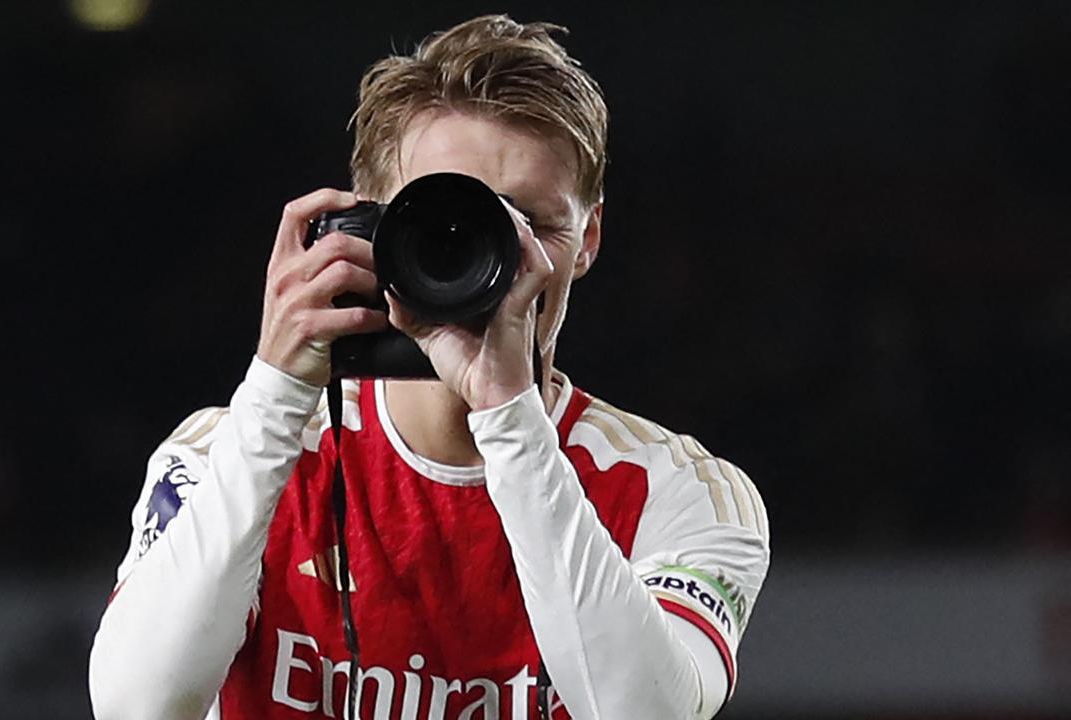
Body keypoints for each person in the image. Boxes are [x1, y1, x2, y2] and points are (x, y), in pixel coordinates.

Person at [88, 14, 769, 720]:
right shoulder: (228, 455)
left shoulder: (677, 492)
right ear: (370, 229)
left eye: (532, 227)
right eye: (448, 227)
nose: (494, 262)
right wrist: (275, 391)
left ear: (589, 237)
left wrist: (510, 419)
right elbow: (137, 706)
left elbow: (646, 713)